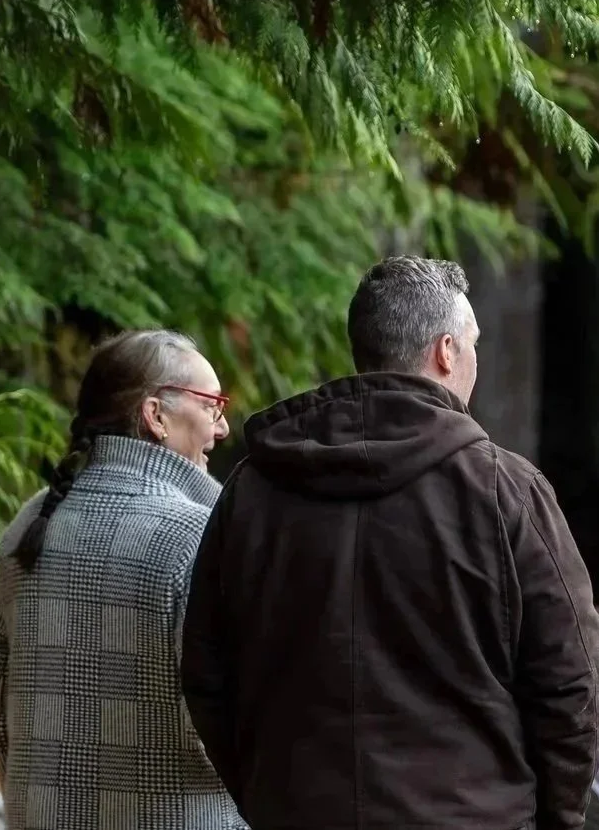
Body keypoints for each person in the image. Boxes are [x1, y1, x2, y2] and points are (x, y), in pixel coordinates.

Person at [181, 255, 599, 830]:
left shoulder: (252, 489)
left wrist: (266, 794)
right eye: (474, 344)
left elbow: (207, 671)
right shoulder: (505, 490)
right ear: (446, 351)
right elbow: (570, 681)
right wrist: (556, 817)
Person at [0, 329, 244, 830]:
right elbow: (237, 721)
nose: (223, 426)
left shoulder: (30, 525)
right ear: (155, 415)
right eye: (212, 405)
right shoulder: (200, 536)